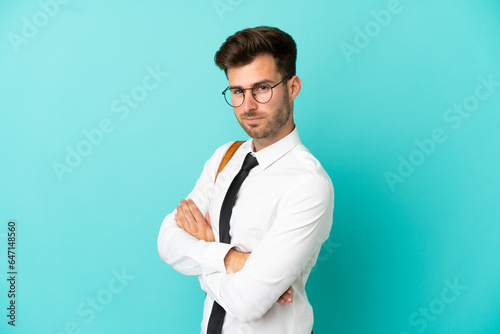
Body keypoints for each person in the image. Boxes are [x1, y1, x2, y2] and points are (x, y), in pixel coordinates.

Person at [157, 26, 334, 334]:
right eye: (238, 91)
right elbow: (167, 241)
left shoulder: (308, 184)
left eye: (262, 88)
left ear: (292, 87)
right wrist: (234, 260)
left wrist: (206, 246)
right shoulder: (225, 157)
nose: (248, 105)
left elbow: (247, 304)